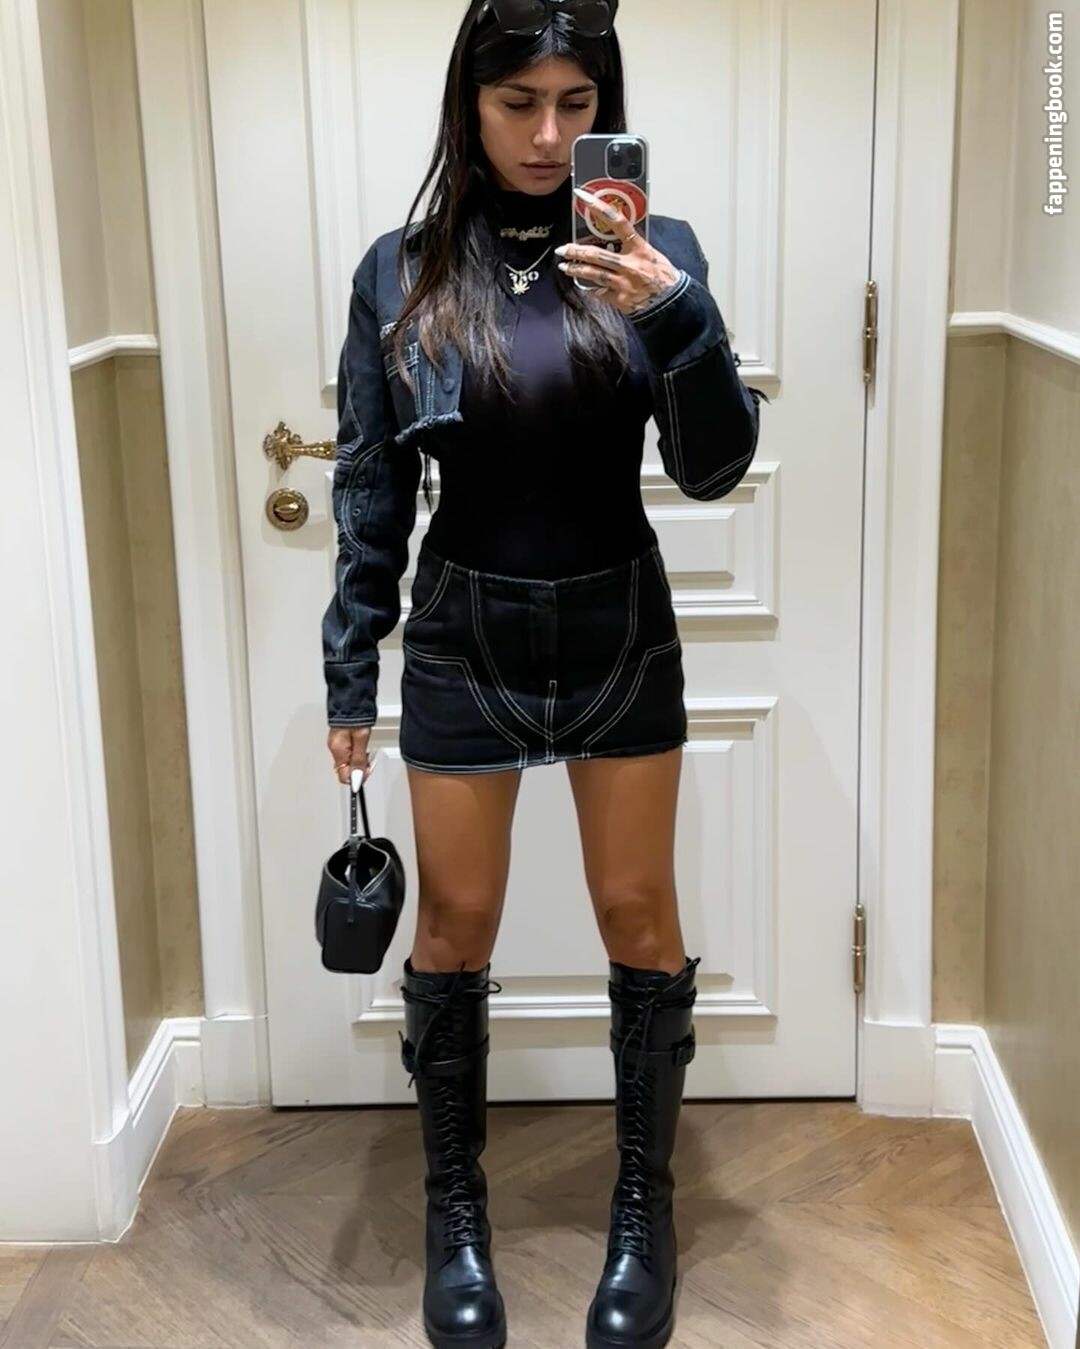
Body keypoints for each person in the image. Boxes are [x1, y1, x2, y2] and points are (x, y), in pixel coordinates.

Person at [322, 2, 767, 1346]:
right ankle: (453, 1214)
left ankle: (644, 1209)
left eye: (578, 103)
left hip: (619, 626)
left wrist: (674, 312)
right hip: (463, 634)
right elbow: (369, 487)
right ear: (470, 102)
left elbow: (714, 466)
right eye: (519, 101)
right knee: (454, 926)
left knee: (639, 914)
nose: (549, 133)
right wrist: (349, 672)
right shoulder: (402, 270)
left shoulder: (655, 252)